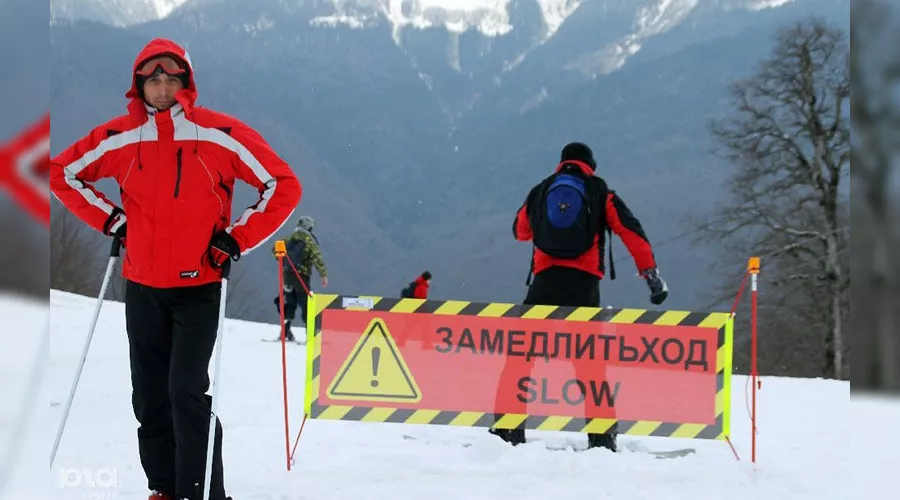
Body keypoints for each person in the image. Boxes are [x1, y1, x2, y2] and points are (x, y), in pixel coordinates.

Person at [49, 37, 302, 500]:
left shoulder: (219, 134)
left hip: (198, 287)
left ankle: (202, 492)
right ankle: (164, 488)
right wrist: (112, 220)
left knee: (185, 392)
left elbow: (283, 184)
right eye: (153, 80)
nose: (162, 89)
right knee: (150, 397)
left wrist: (237, 238)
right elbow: (61, 172)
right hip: (142, 287)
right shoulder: (120, 137)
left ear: (187, 82)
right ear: (139, 85)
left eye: (171, 79)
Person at [493, 141, 668, 452]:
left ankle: (508, 431)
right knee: (588, 363)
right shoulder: (600, 191)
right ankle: (601, 438)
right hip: (583, 286)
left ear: (561, 163)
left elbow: (520, 232)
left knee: (521, 357)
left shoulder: (541, 190)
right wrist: (651, 275)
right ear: (591, 165)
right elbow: (631, 232)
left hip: (544, 283)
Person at [272, 215, 328, 342]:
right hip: (302, 277)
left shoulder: (290, 238)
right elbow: (317, 258)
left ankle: (285, 332)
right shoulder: (309, 241)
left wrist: (284, 261)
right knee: (306, 305)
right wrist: (323, 275)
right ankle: (311, 335)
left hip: (287, 276)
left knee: (290, 303)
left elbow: (274, 249)